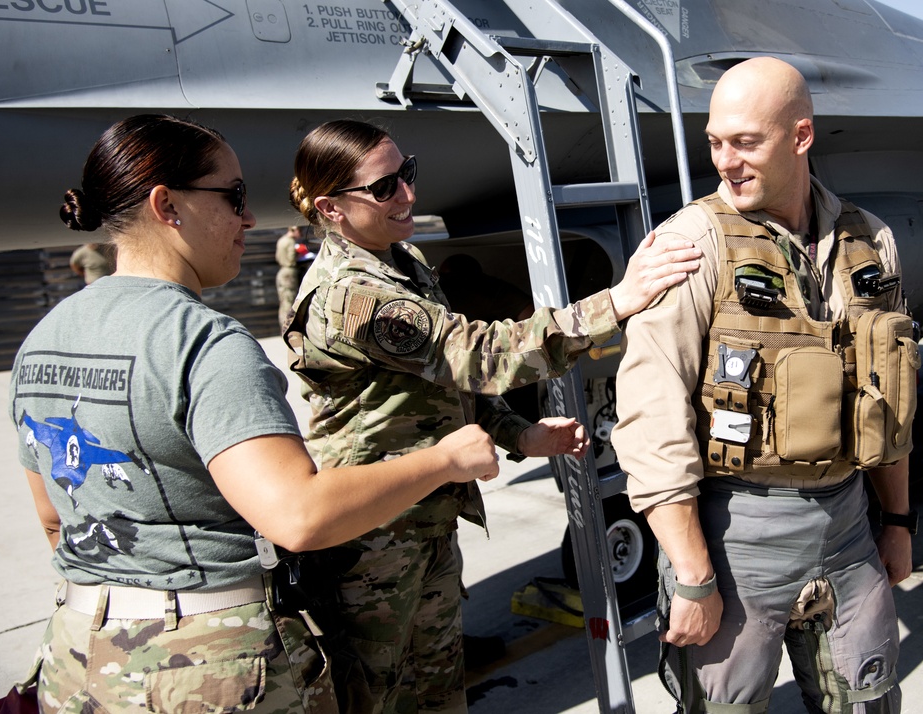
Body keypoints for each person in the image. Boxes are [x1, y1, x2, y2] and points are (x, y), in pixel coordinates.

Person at [8, 114, 499, 713]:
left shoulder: (43, 339)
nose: (248, 218)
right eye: (233, 196)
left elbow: (54, 517)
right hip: (203, 671)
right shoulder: (201, 342)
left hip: (80, 661)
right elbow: (300, 514)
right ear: (167, 206)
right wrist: (445, 459)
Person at [283, 119, 703, 714]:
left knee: (438, 689)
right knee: (371, 697)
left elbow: (450, 383)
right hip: (371, 539)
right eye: (384, 188)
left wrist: (518, 432)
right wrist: (617, 302)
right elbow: (479, 356)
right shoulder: (355, 295)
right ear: (332, 209)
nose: (407, 194)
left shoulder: (400, 262)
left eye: (408, 174)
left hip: (423, 519)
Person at [611, 57, 917, 713]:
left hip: (848, 528)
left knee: (869, 701)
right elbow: (649, 422)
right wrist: (693, 574)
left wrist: (898, 521)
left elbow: (888, 406)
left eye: (746, 142)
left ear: (801, 136)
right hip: (736, 539)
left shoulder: (871, 244)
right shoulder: (692, 245)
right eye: (716, 142)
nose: (726, 161)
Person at [275, 225, 312, 326]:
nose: (301, 234)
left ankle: (283, 324)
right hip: (290, 272)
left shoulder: (281, 240)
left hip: (282, 271)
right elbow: (291, 259)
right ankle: (288, 325)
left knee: (283, 300)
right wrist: (299, 254)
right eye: (300, 231)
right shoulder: (290, 242)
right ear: (294, 229)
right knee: (289, 300)